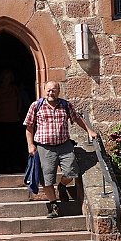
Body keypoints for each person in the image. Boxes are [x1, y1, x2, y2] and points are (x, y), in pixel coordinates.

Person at [24, 81, 98, 218]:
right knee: (47, 179)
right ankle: (54, 205)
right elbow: (29, 127)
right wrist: (30, 145)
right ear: (44, 90)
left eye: (54, 90)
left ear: (58, 91)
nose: (51, 93)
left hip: (64, 145)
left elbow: (77, 119)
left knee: (72, 172)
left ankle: (62, 185)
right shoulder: (36, 106)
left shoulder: (65, 105)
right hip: (44, 147)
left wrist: (89, 131)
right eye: (48, 90)